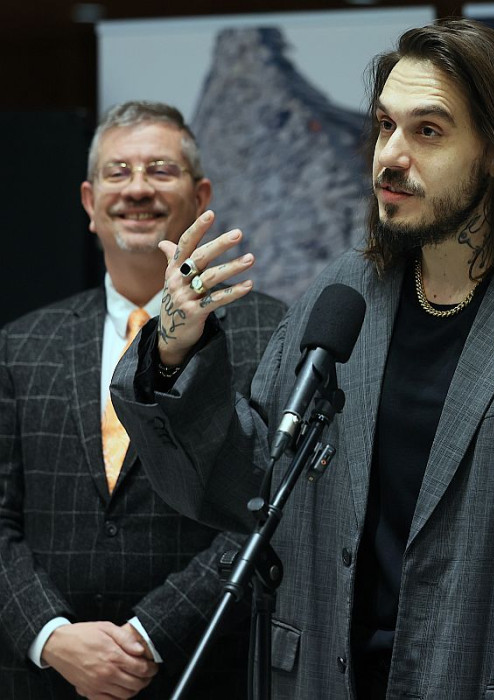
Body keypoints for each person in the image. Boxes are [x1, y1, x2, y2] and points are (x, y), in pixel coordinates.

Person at [110, 18, 494, 698]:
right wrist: (174, 352)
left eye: (427, 131)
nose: (390, 156)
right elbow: (245, 485)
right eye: (385, 126)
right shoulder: (344, 293)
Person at [0, 101, 287, 699]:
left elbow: (271, 508)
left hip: (202, 671)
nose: (137, 189)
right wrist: (51, 635)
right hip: (48, 679)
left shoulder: (272, 334)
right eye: (118, 172)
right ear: (89, 203)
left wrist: (150, 635)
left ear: (200, 195)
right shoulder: (22, 344)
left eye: (160, 170)